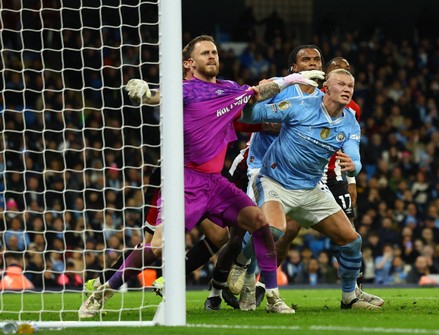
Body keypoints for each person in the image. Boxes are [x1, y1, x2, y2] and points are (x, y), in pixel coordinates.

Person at [78, 34, 321, 318]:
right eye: (206, 53)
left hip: (215, 182)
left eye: (215, 52)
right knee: (157, 248)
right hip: (185, 180)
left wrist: (293, 80)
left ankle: (272, 296)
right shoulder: (184, 89)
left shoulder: (229, 89)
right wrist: (145, 93)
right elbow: (159, 95)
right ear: (189, 63)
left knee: (259, 222)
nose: (213, 57)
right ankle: (103, 291)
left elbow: (258, 91)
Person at [224, 56, 384, 310]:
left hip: (311, 188)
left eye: (350, 86)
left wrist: (355, 165)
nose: (346, 89)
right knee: (273, 230)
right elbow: (254, 115)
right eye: (340, 84)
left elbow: (354, 154)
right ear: (326, 88)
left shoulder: (350, 121)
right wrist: (254, 99)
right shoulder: (299, 105)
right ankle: (242, 262)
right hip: (275, 181)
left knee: (352, 240)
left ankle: (349, 297)